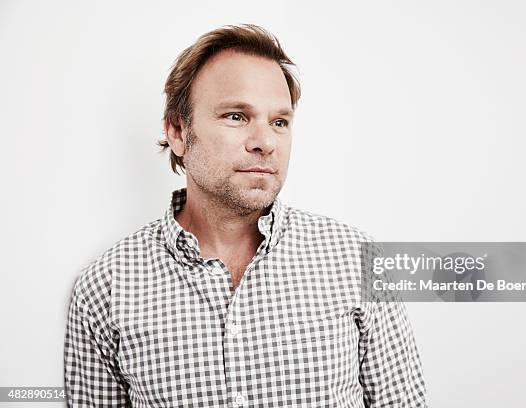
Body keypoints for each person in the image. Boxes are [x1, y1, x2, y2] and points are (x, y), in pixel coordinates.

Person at [63, 24, 427, 407]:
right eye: (237, 116)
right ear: (178, 132)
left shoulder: (357, 259)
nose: (266, 143)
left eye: (279, 122)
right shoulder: (105, 288)